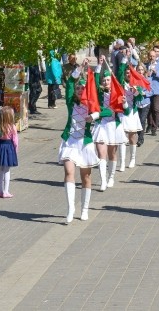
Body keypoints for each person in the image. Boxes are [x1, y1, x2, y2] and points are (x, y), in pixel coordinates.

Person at [58, 60, 100, 223]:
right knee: (69, 172)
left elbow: (106, 110)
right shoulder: (71, 102)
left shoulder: (91, 104)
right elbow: (69, 82)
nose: (80, 90)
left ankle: (84, 208)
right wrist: (80, 68)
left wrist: (94, 116)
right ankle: (70, 209)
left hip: (85, 143)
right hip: (70, 142)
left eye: (83, 88)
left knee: (86, 177)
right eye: (78, 88)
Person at [90, 59, 127, 191]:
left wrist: (123, 61)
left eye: (108, 80)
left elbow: (121, 77)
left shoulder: (116, 93)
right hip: (101, 126)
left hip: (113, 125)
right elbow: (94, 81)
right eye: (104, 80)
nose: (105, 82)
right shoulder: (99, 93)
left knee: (112, 154)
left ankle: (111, 177)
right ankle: (103, 180)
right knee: (101, 154)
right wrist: (99, 66)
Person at [0, 107, 19, 198]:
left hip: (0, 147)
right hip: (9, 148)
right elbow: (15, 141)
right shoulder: (12, 127)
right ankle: (6, 191)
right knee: (7, 170)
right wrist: (15, 150)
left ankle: (0, 191)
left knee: (0, 170)